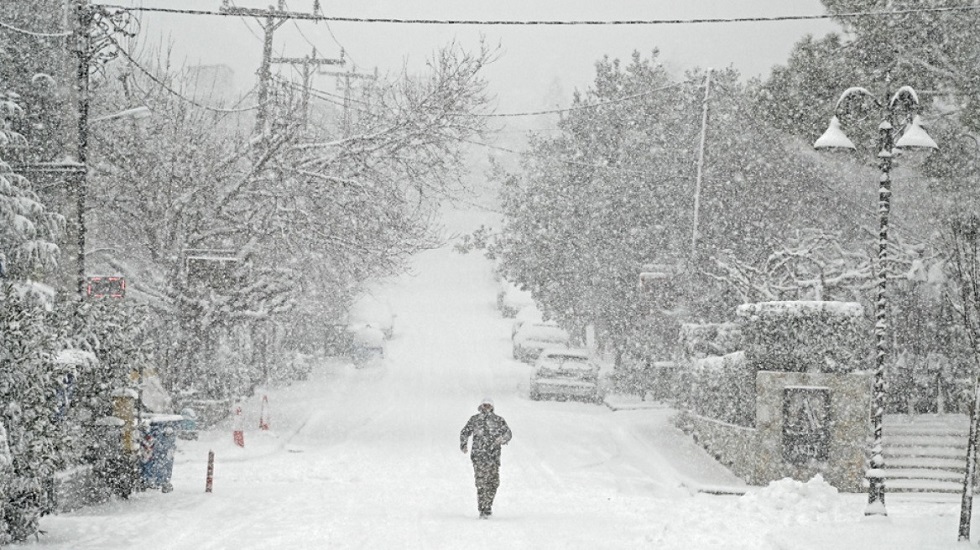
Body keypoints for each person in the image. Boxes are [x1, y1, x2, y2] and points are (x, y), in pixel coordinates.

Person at [459, 397, 512, 519]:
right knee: (481, 483)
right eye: (484, 405)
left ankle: (488, 504)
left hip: (493, 457)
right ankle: (483, 509)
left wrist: (502, 439)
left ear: (492, 407)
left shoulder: (499, 420)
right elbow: (464, 432)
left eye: (488, 406)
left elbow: (508, 433)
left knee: (493, 483)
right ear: (480, 407)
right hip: (479, 457)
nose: (486, 408)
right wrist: (463, 444)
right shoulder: (475, 420)